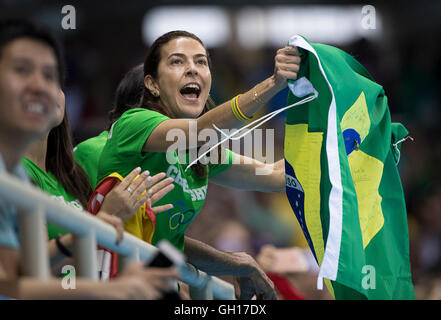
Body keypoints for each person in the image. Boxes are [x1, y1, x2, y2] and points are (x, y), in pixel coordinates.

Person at [94, 30, 301, 299]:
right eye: (177, 62)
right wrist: (273, 84)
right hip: (112, 284)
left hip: (152, 282)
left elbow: (275, 175)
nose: (192, 69)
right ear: (153, 85)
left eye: (201, 62)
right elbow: (199, 128)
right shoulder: (133, 124)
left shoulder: (201, 152)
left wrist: (339, 144)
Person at [0, 19, 177, 299]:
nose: (40, 85)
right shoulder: (13, 175)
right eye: (22, 71)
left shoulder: (66, 176)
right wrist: (100, 223)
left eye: (51, 76)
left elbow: (26, 270)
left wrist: (119, 273)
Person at [23, 88, 175, 274]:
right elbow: (30, 269)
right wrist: (105, 219)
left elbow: (93, 262)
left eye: (53, 79)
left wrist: (130, 217)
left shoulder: (72, 175)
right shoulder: (10, 173)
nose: (50, 90)